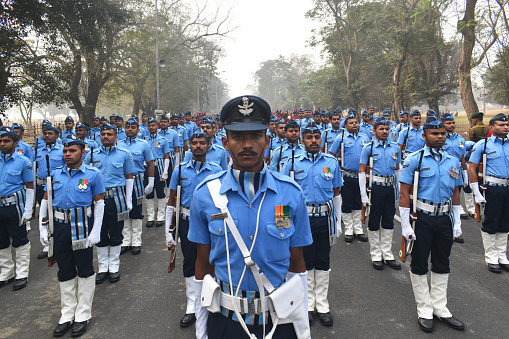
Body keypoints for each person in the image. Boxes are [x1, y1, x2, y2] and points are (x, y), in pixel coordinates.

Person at [189, 95, 312, 339]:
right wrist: (201, 324)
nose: (247, 144)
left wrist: (302, 324)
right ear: (225, 142)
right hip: (225, 322)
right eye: (238, 137)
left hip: (278, 321)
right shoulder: (206, 195)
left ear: (267, 140)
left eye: (256, 136)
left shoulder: (289, 194)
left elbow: (296, 265)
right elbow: (203, 265)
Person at [399, 116, 465, 333]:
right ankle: (424, 309)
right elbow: (404, 193)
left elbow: (456, 193)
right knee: (419, 263)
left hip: (444, 217)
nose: (439, 137)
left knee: (442, 262)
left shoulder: (452, 161)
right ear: (424, 135)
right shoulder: (413, 160)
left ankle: (440, 307)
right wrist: (405, 225)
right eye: (435, 134)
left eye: (442, 134)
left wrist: (456, 221)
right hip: (422, 218)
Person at [39, 134, 105, 337]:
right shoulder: (55, 174)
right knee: (64, 270)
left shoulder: (93, 174)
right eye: (65, 151)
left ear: (82, 152)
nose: (67, 154)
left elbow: (99, 204)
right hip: (60, 227)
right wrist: (42, 228)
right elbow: (45, 201)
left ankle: (83, 314)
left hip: (82, 227)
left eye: (72, 150)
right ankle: (67, 314)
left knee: (84, 270)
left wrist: (96, 231)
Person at [282, 122, 342, 327]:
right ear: (302, 139)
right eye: (309, 137)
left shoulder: (332, 162)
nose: (314, 141)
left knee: (323, 260)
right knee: (304, 262)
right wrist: (283, 225)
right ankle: (306, 303)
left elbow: (336, 193)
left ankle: (322, 304)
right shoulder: (291, 162)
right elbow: (283, 196)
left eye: (317, 137)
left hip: (325, 218)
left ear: (321, 139)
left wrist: (338, 221)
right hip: (302, 220)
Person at [165, 130, 223, 328]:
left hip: (211, 221)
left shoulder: (217, 170)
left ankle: (213, 301)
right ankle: (192, 305)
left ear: (209, 146)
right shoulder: (179, 170)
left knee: (212, 259)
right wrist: (168, 230)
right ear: (189, 146)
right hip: (187, 221)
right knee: (190, 261)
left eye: (202, 143)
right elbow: (172, 200)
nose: (198, 146)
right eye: (194, 143)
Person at [84, 123, 135, 284]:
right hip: (96, 200)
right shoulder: (91, 154)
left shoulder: (124, 154)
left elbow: (129, 177)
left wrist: (128, 200)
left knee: (115, 233)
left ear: (115, 136)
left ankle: (114, 267)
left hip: (116, 199)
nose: (105, 136)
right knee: (99, 233)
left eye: (109, 134)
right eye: (103, 134)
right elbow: (84, 177)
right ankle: (103, 268)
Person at [358, 118, 402, 270]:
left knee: (389, 221)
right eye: (381, 129)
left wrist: (400, 190)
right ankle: (376, 254)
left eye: (386, 129)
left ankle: (387, 253)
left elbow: (397, 170)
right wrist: (363, 195)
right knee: (374, 221)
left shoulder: (395, 148)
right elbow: (362, 171)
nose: (384, 131)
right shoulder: (368, 148)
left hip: (390, 187)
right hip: (375, 188)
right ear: (374, 130)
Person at [468, 113, 509, 274]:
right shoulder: (483, 145)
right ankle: (491, 256)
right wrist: (476, 192)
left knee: (505, 222)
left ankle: (502, 255)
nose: (505, 127)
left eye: (506, 125)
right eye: (501, 125)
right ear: (491, 127)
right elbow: (472, 167)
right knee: (491, 221)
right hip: (492, 188)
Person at [0, 126, 34, 290]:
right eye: (0, 141)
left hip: (14, 206)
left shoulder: (23, 162)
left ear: (15, 142)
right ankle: (6, 272)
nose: (2, 144)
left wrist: (28, 210)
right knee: (1, 241)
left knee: (20, 240)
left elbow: (30, 187)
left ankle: (21, 273)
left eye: (6, 141)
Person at [329, 113, 371, 242]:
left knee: (359, 202)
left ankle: (358, 229)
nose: (354, 124)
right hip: (347, 176)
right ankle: (348, 229)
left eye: (356, 122)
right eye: (351, 123)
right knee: (347, 203)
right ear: (345, 126)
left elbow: (370, 156)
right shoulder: (340, 138)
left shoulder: (365, 137)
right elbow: (331, 155)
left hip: (361, 176)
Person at [117, 119, 155, 255]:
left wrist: (151, 182)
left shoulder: (143, 144)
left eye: (133, 127)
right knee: (124, 211)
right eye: (128, 127)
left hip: (137, 180)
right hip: (122, 181)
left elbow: (150, 164)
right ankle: (126, 241)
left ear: (137, 129)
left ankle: (136, 241)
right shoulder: (118, 144)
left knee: (136, 211)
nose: (130, 129)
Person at [35, 125, 65, 260]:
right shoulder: (38, 150)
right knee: (44, 214)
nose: (47, 136)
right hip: (42, 186)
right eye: (45, 133)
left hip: (57, 186)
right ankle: (46, 244)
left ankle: (57, 242)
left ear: (57, 136)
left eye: (50, 133)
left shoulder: (62, 150)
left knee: (57, 214)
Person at [441, 113, 469, 230]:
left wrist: (465, 175)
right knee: (444, 196)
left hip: (456, 170)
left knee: (456, 193)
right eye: (448, 123)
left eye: (453, 122)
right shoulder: (440, 138)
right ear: (442, 124)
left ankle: (455, 225)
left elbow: (463, 158)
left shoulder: (460, 139)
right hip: (443, 169)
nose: (452, 125)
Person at [144, 118, 171, 228]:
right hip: (147, 167)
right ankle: (150, 217)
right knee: (149, 193)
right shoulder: (144, 140)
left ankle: (161, 217)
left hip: (159, 167)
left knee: (160, 193)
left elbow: (166, 156)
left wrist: (165, 171)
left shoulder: (163, 140)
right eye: (149, 125)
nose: (151, 127)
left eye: (153, 125)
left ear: (157, 126)